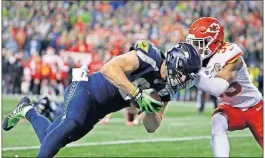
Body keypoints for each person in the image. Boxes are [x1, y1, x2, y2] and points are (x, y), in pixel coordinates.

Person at [2, 41, 201, 157]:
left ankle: (27, 110)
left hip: (99, 111)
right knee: (71, 123)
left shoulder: (165, 90)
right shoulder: (149, 55)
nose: (184, 80)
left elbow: (151, 126)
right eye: (185, 73)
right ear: (175, 60)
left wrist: (150, 108)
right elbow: (109, 69)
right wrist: (137, 93)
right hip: (86, 88)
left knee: (55, 137)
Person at [186, 17, 263, 157]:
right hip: (231, 107)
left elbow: (218, 88)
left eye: (199, 43)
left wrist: (194, 75)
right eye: (193, 44)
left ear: (214, 41)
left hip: (255, 107)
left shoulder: (230, 55)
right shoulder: (201, 59)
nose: (195, 48)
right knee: (217, 121)